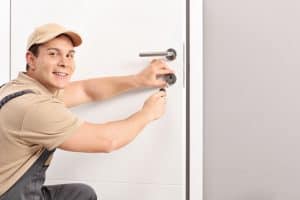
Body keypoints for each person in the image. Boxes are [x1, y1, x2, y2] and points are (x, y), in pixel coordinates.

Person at [0, 23, 174, 200]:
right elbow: (108, 141)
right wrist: (147, 114)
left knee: (81, 194)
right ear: (31, 59)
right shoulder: (33, 108)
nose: (64, 62)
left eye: (69, 55)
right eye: (53, 54)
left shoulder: (19, 89)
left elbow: (86, 90)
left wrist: (137, 80)